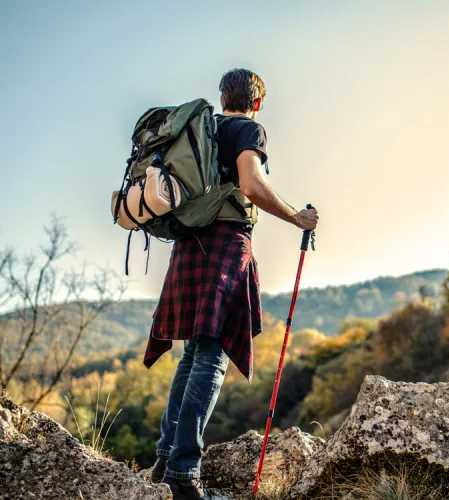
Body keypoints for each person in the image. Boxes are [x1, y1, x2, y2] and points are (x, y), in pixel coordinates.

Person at [141, 68, 319, 500]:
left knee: (193, 356)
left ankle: (167, 456)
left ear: (223, 96)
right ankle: (183, 470)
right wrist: (296, 216)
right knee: (210, 358)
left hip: (188, 246)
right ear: (256, 102)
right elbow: (251, 183)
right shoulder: (248, 129)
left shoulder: (202, 130)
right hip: (223, 245)